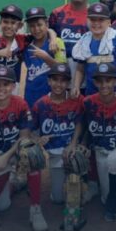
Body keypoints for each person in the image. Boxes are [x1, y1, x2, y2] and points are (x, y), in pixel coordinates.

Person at [0, 67, 45, 231]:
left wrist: (5, 157)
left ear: (13, 86)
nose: (1, 88)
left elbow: (24, 137)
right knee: (3, 206)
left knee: (33, 153)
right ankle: (14, 185)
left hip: (14, 152)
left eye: (6, 84)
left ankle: (35, 210)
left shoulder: (20, 104)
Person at [82, 62, 116, 222]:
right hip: (100, 149)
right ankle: (114, 191)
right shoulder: (88, 102)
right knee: (104, 196)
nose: (104, 84)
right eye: (100, 81)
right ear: (95, 82)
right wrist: (83, 144)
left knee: (114, 161)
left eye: (108, 80)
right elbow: (85, 124)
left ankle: (113, 199)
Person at [31, 63, 85, 204]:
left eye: (63, 80)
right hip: (54, 154)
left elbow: (79, 122)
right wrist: (38, 139)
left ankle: (82, 181)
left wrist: (73, 144)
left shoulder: (75, 100)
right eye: (55, 79)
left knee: (76, 195)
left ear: (68, 83)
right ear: (49, 81)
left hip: (73, 152)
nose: (59, 84)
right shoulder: (40, 104)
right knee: (58, 198)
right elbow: (30, 130)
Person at [71, 2, 116, 99]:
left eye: (101, 20)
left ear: (109, 22)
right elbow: (80, 68)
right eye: (93, 19)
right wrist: (76, 86)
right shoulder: (83, 41)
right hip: (93, 96)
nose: (96, 23)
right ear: (87, 21)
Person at [22, 6, 67, 108]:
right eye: (32, 26)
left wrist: (46, 58)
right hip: (31, 99)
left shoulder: (56, 43)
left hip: (52, 98)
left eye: (39, 25)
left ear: (46, 24)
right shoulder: (27, 46)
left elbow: (63, 70)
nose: (36, 29)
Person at [49, 0, 90, 65]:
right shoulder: (57, 13)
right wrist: (52, 36)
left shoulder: (94, 16)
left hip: (86, 67)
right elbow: (48, 30)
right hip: (60, 70)